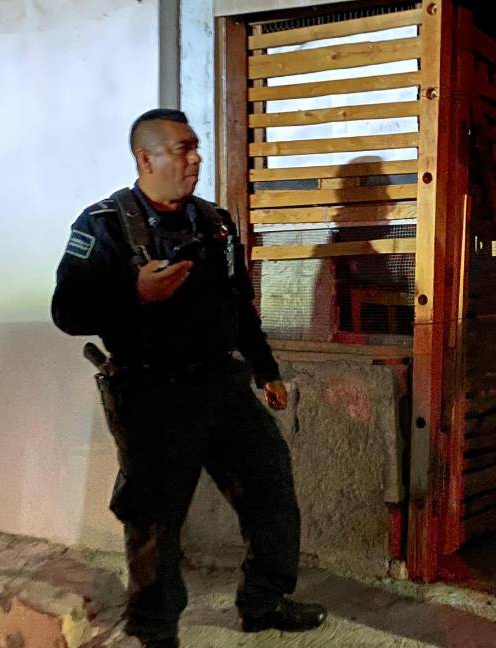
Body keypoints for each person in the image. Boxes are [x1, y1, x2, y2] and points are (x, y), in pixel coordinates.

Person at [51, 109, 326, 648]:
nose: (196, 158)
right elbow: (66, 311)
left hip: (221, 385)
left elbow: (240, 304)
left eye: (196, 147)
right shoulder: (103, 224)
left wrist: (265, 369)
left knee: (270, 487)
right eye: (183, 149)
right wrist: (133, 294)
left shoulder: (216, 223)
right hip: (149, 392)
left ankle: (263, 600)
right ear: (145, 158)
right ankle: (155, 631)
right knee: (154, 521)